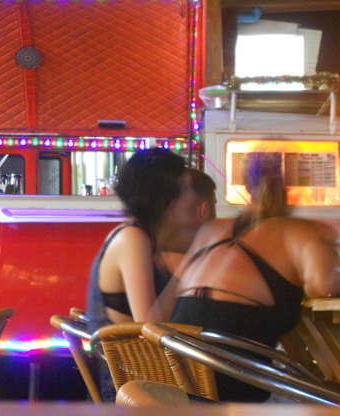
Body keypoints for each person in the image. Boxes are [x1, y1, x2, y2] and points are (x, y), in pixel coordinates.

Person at [170, 154, 340, 402]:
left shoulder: (212, 230)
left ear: (248, 188)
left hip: (176, 380)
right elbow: (324, 286)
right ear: (290, 191)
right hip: (230, 387)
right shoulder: (299, 231)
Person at [87, 150, 216, 330]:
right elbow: (149, 324)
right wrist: (189, 263)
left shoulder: (148, 237)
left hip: (148, 347)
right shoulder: (132, 238)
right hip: (133, 349)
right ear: (164, 199)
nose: (193, 199)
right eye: (184, 190)